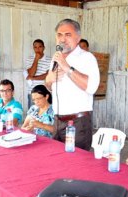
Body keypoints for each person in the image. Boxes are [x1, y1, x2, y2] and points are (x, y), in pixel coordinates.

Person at [45, 18, 100, 151]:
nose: (62, 39)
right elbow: (49, 87)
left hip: (78, 123)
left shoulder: (87, 58)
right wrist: (49, 79)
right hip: (57, 121)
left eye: (68, 35)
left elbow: (92, 87)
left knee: (77, 166)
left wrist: (67, 68)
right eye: (59, 35)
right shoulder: (56, 57)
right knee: (57, 162)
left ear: (78, 38)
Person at [24, 39, 51, 108]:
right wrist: (36, 59)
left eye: (40, 47)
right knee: (32, 115)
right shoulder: (29, 59)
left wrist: (33, 78)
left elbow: (47, 75)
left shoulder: (50, 59)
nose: (38, 49)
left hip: (45, 92)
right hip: (32, 92)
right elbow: (31, 74)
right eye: (35, 47)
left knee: (46, 115)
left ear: (44, 48)